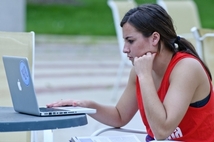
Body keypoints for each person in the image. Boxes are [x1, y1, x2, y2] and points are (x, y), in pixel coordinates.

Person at [47, 3, 214, 141]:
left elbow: (162, 131)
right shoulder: (140, 71)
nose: (125, 49)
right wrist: (86, 106)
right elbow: (120, 116)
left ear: (155, 38)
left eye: (130, 41)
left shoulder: (186, 68)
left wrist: (145, 76)